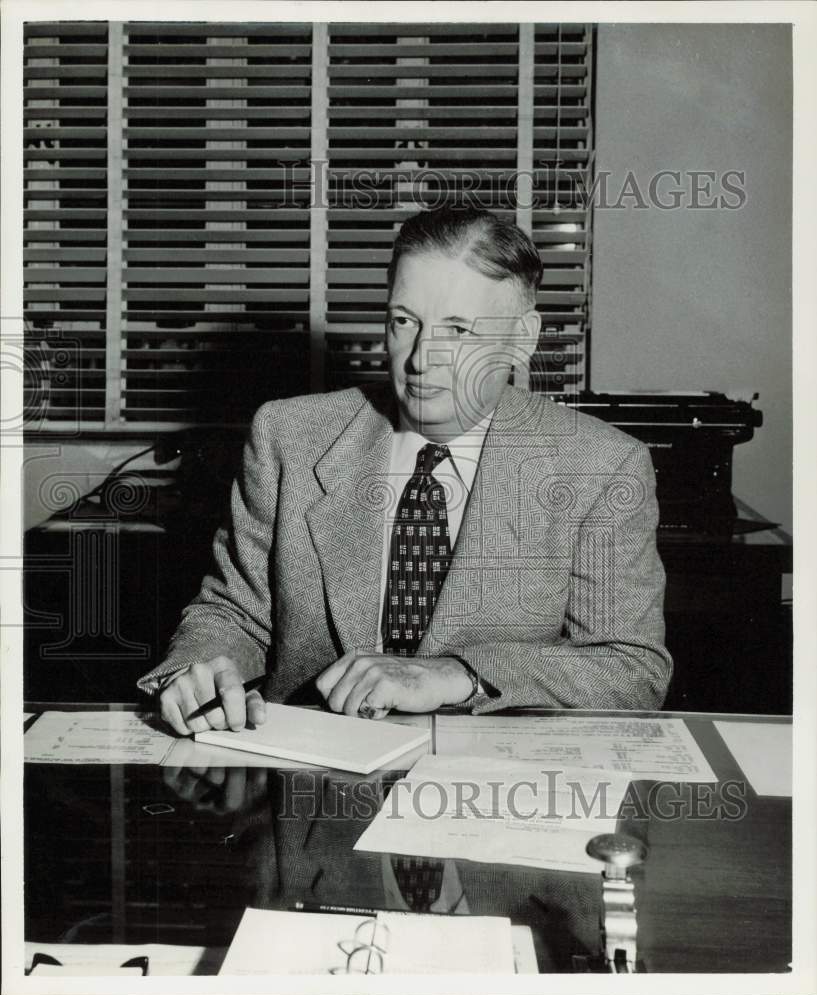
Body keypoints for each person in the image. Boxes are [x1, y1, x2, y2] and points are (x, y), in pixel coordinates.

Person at [138, 205, 672, 735]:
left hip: (494, 793)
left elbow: (631, 668)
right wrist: (199, 668)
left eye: (459, 329)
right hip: (315, 785)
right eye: (404, 321)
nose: (420, 359)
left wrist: (456, 675)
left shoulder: (600, 466)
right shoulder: (289, 437)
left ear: (521, 338)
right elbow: (232, 613)